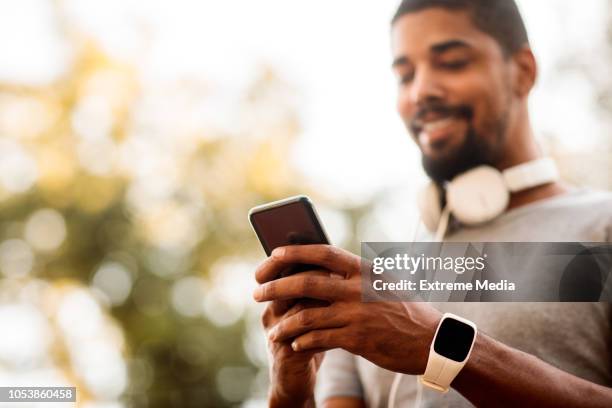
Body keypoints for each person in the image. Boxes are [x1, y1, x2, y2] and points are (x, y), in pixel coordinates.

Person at [253, 0, 612, 406]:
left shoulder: (603, 228)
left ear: (523, 71)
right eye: (405, 75)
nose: (421, 90)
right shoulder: (373, 278)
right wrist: (288, 395)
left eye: (453, 63)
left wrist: (439, 346)